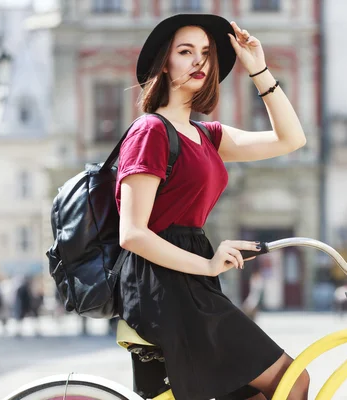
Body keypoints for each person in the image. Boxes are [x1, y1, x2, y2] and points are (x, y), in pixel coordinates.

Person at [115, 14, 308, 400]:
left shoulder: (207, 135)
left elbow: (292, 138)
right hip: (164, 288)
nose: (199, 61)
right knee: (292, 381)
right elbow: (132, 233)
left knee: (256, 394)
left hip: (194, 284)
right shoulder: (150, 130)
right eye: (185, 52)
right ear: (164, 64)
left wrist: (259, 70)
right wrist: (205, 264)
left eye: (205, 52)